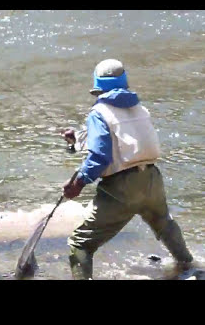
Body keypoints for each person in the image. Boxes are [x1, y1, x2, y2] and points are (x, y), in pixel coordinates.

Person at [61, 59, 193, 280]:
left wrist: (78, 183)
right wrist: (76, 142)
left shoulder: (98, 113)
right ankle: (188, 266)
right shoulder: (140, 108)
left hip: (121, 190)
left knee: (80, 243)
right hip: (152, 179)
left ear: (97, 86)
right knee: (164, 225)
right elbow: (124, 140)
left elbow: (101, 156)